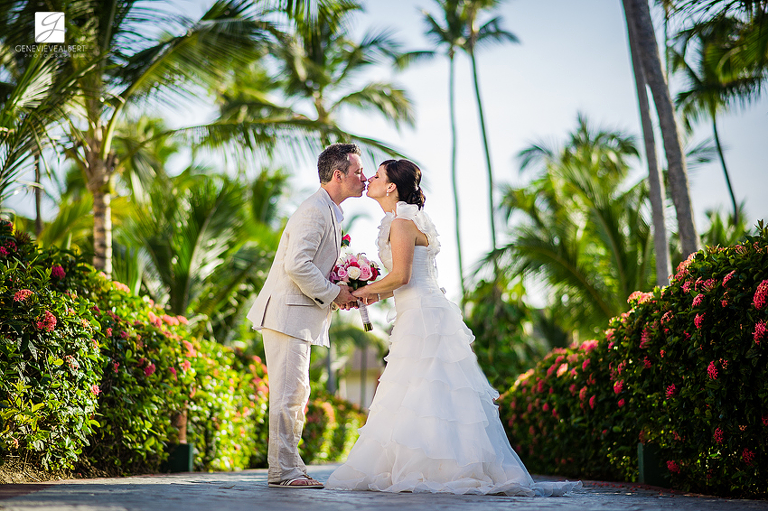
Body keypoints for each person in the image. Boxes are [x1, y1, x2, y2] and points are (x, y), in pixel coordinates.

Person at [325, 159, 581, 496]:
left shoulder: (401, 223)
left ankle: (437, 468)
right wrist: (369, 295)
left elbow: (401, 276)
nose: (370, 179)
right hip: (420, 311)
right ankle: (435, 464)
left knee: (424, 388)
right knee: (426, 390)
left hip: (422, 317)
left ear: (391, 187)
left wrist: (357, 290)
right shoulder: (402, 219)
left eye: (377, 175)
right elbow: (403, 280)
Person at [246, 143, 366, 488]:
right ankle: (284, 472)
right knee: (289, 394)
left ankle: (289, 466)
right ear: (338, 175)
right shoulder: (314, 210)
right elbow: (297, 264)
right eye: (358, 172)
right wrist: (333, 293)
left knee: (297, 394)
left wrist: (338, 288)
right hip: (287, 315)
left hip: (297, 316)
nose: (364, 177)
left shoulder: (327, 210)